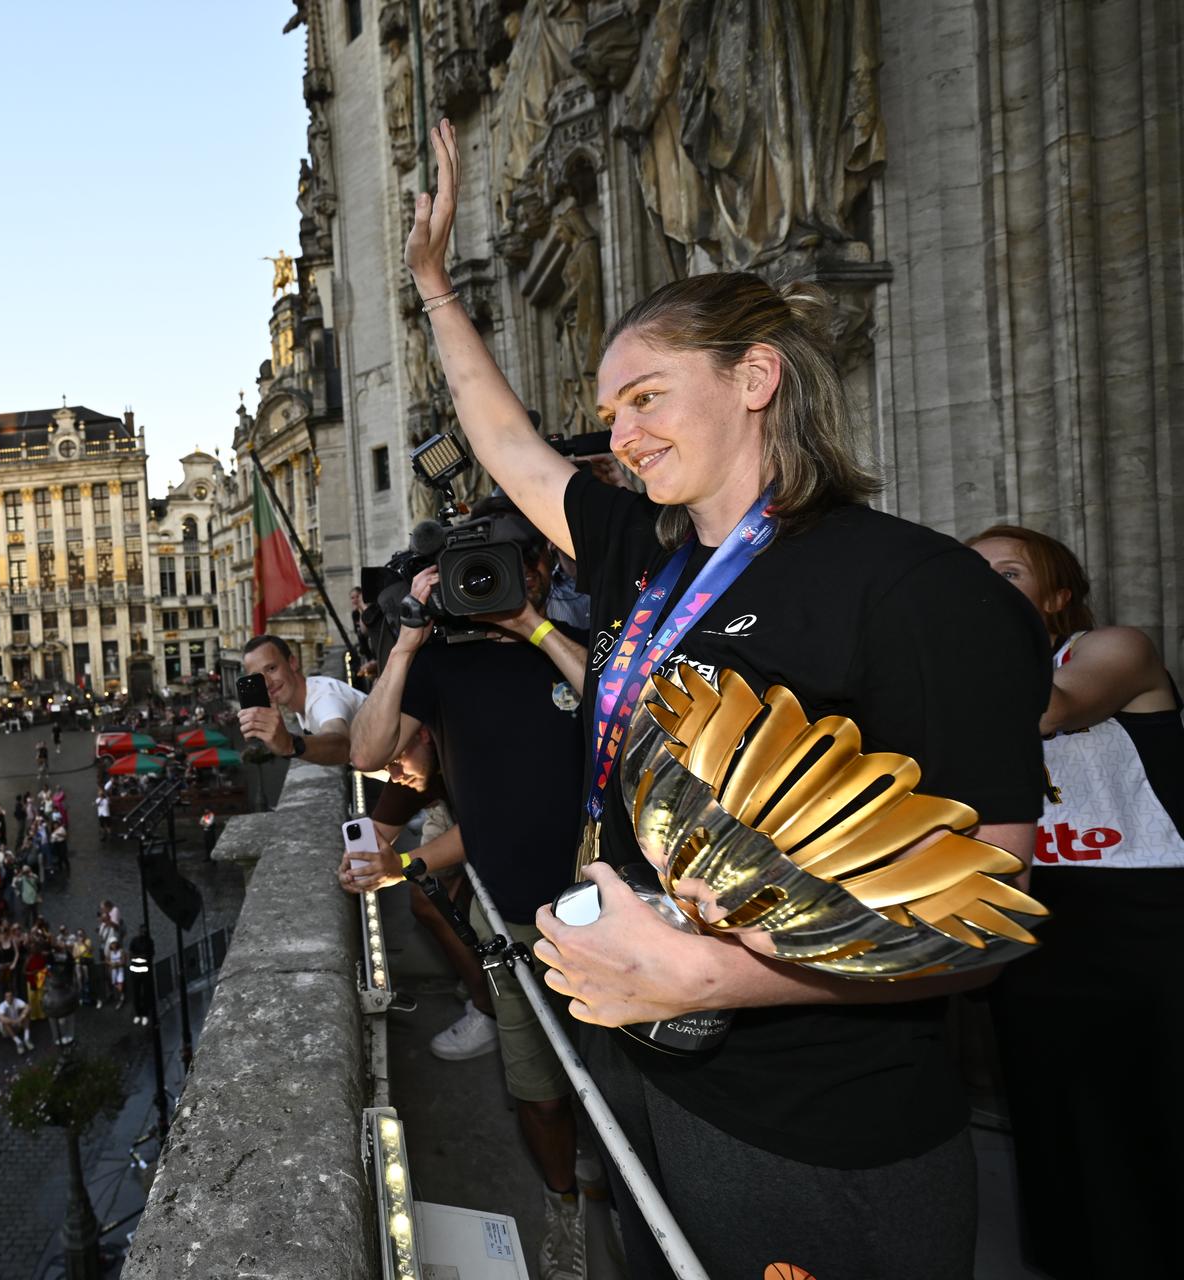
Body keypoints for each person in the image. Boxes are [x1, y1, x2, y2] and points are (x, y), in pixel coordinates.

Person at [403, 117, 1048, 1279]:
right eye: (610, 412)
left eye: (647, 396)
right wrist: (434, 286)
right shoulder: (642, 557)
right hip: (649, 1063)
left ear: (756, 378)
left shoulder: (917, 588)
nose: (622, 435)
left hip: (822, 1127)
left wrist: (715, 972)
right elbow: (503, 442)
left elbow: (984, 919)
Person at [347, 518, 591, 1278]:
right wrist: (408, 644)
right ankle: (564, 1207)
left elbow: (630, 711)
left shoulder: (582, 637)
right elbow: (366, 752)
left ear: (542, 569)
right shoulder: (442, 669)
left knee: (626, 1080)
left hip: (612, 907)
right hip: (516, 917)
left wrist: (533, 625)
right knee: (538, 1091)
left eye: (504, 567)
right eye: (472, 571)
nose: (486, 583)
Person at [969, 524, 1183, 1277]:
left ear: (1058, 595)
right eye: (970, 575)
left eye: (1008, 572)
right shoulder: (967, 682)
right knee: (1057, 1112)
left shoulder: (1116, 648)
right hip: (1038, 910)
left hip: (1145, 911)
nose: (986, 584)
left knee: (1157, 1105)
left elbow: (1050, 712)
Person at [236, 634, 362, 765]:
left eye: (272, 669)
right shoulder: (304, 698)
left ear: (292, 663)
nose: (267, 683)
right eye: (258, 677)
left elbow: (342, 746)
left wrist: (290, 744)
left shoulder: (323, 697)